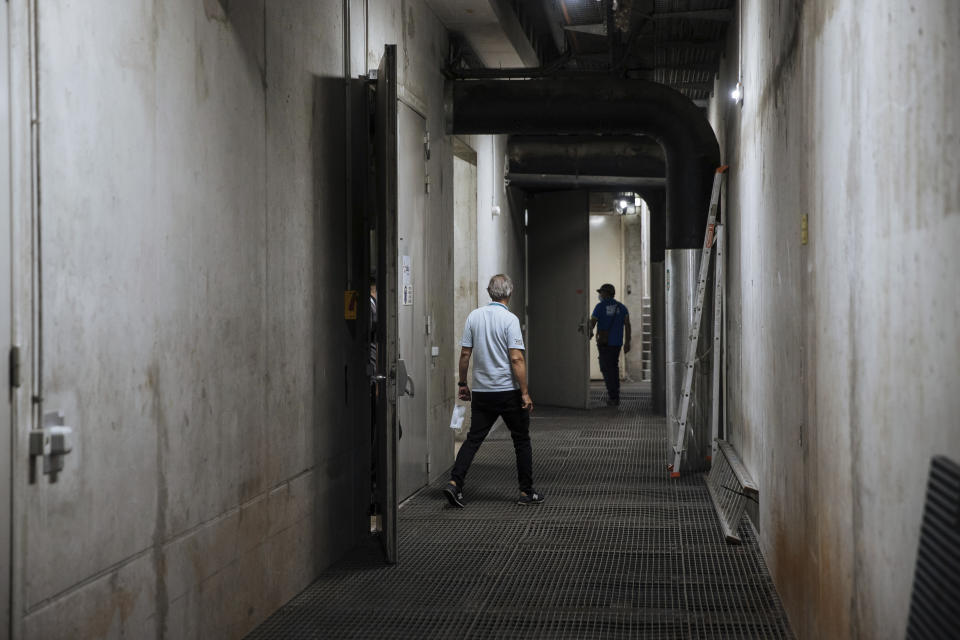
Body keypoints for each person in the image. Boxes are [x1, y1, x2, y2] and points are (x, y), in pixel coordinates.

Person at [443, 274, 543, 508]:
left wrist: (463, 384)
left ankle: (455, 484)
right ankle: (526, 492)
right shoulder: (510, 320)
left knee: (473, 439)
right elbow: (516, 358)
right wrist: (525, 392)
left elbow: (465, 354)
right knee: (521, 440)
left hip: (482, 391)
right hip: (507, 391)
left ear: (489, 292)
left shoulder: (474, 317)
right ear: (510, 292)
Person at [588, 283, 631, 406]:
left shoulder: (600, 307)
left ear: (606, 293)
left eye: (601, 292)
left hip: (604, 343)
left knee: (606, 368)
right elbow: (627, 325)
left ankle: (613, 396)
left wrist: (589, 332)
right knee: (613, 368)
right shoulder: (622, 307)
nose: (599, 295)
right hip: (616, 343)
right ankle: (614, 395)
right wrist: (627, 342)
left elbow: (592, 322)